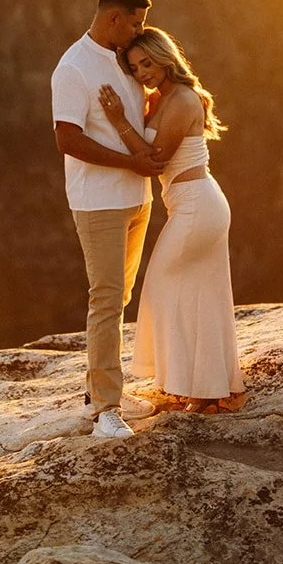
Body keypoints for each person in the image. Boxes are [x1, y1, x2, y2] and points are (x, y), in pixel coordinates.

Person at [100, 27, 246, 413]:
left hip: (198, 206)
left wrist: (118, 121)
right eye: (134, 67)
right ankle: (207, 387)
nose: (142, 72)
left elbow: (154, 162)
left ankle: (197, 386)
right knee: (201, 294)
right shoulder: (159, 99)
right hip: (191, 204)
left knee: (164, 285)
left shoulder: (181, 100)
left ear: (165, 57)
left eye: (147, 63)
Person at [51, 0, 164, 438]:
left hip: (137, 199)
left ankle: (100, 389)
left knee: (119, 298)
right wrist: (131, 163)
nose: (140, 31)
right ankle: (104, 410)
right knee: (104, 298)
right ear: (113, 18)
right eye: (135, 22)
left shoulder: (123, 60)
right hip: (99, 202)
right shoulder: (73, 67)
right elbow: (68, 139)